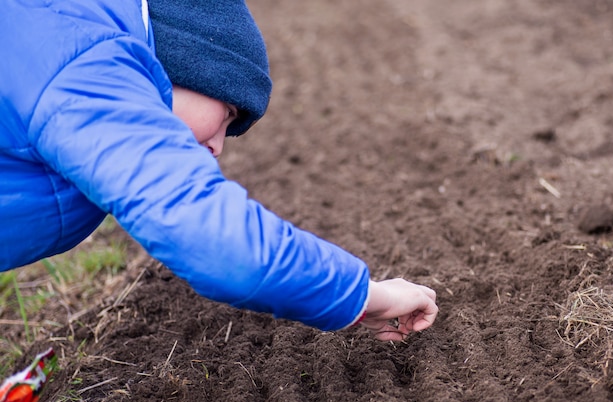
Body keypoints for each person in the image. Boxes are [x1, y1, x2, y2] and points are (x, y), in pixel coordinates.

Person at [0, 0, 437, 342]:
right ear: (183, 62)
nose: (217, 146)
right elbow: (208, 232)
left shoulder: (61, 32)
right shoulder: (86, 63)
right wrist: (366, 297)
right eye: (227, 114)